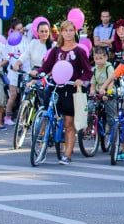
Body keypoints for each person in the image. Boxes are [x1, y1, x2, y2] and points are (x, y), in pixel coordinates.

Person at [40, 20, 93, 163]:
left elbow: (88, 72)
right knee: (48, 112)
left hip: (71, 88)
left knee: (69, 123)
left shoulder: (79, 51)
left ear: (74, 32)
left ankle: (67, 154)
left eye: (71, 30)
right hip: (56, 87)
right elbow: (46, 66)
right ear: (61, 32)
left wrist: (81, 80)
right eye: (66, 30)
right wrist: (38, 73)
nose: (68, 33)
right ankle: (43, 139)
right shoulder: (56, 50)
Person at [3, 18, 25, 125]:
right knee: (13, 94)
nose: (20, 31)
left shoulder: (25, 39)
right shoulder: (10, 41)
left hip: (24, 70)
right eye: (18, 29)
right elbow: (8, 55)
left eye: (21, 28)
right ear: (13, 30)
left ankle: (22, 117)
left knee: (24, 95)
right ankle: (7, 116)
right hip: (13, 70)